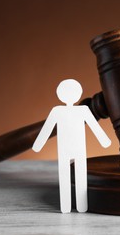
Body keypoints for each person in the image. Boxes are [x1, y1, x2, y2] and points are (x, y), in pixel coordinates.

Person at [33, 79, 111, 213]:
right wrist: (104, 141)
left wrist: (38, 145)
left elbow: (94, 126)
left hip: (75, 148)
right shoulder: (64, 111)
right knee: (70, 175)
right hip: (68, 149)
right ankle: (70, 207)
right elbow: (47, 128)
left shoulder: (74, 110)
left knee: (74, 175)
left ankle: (77, 206)